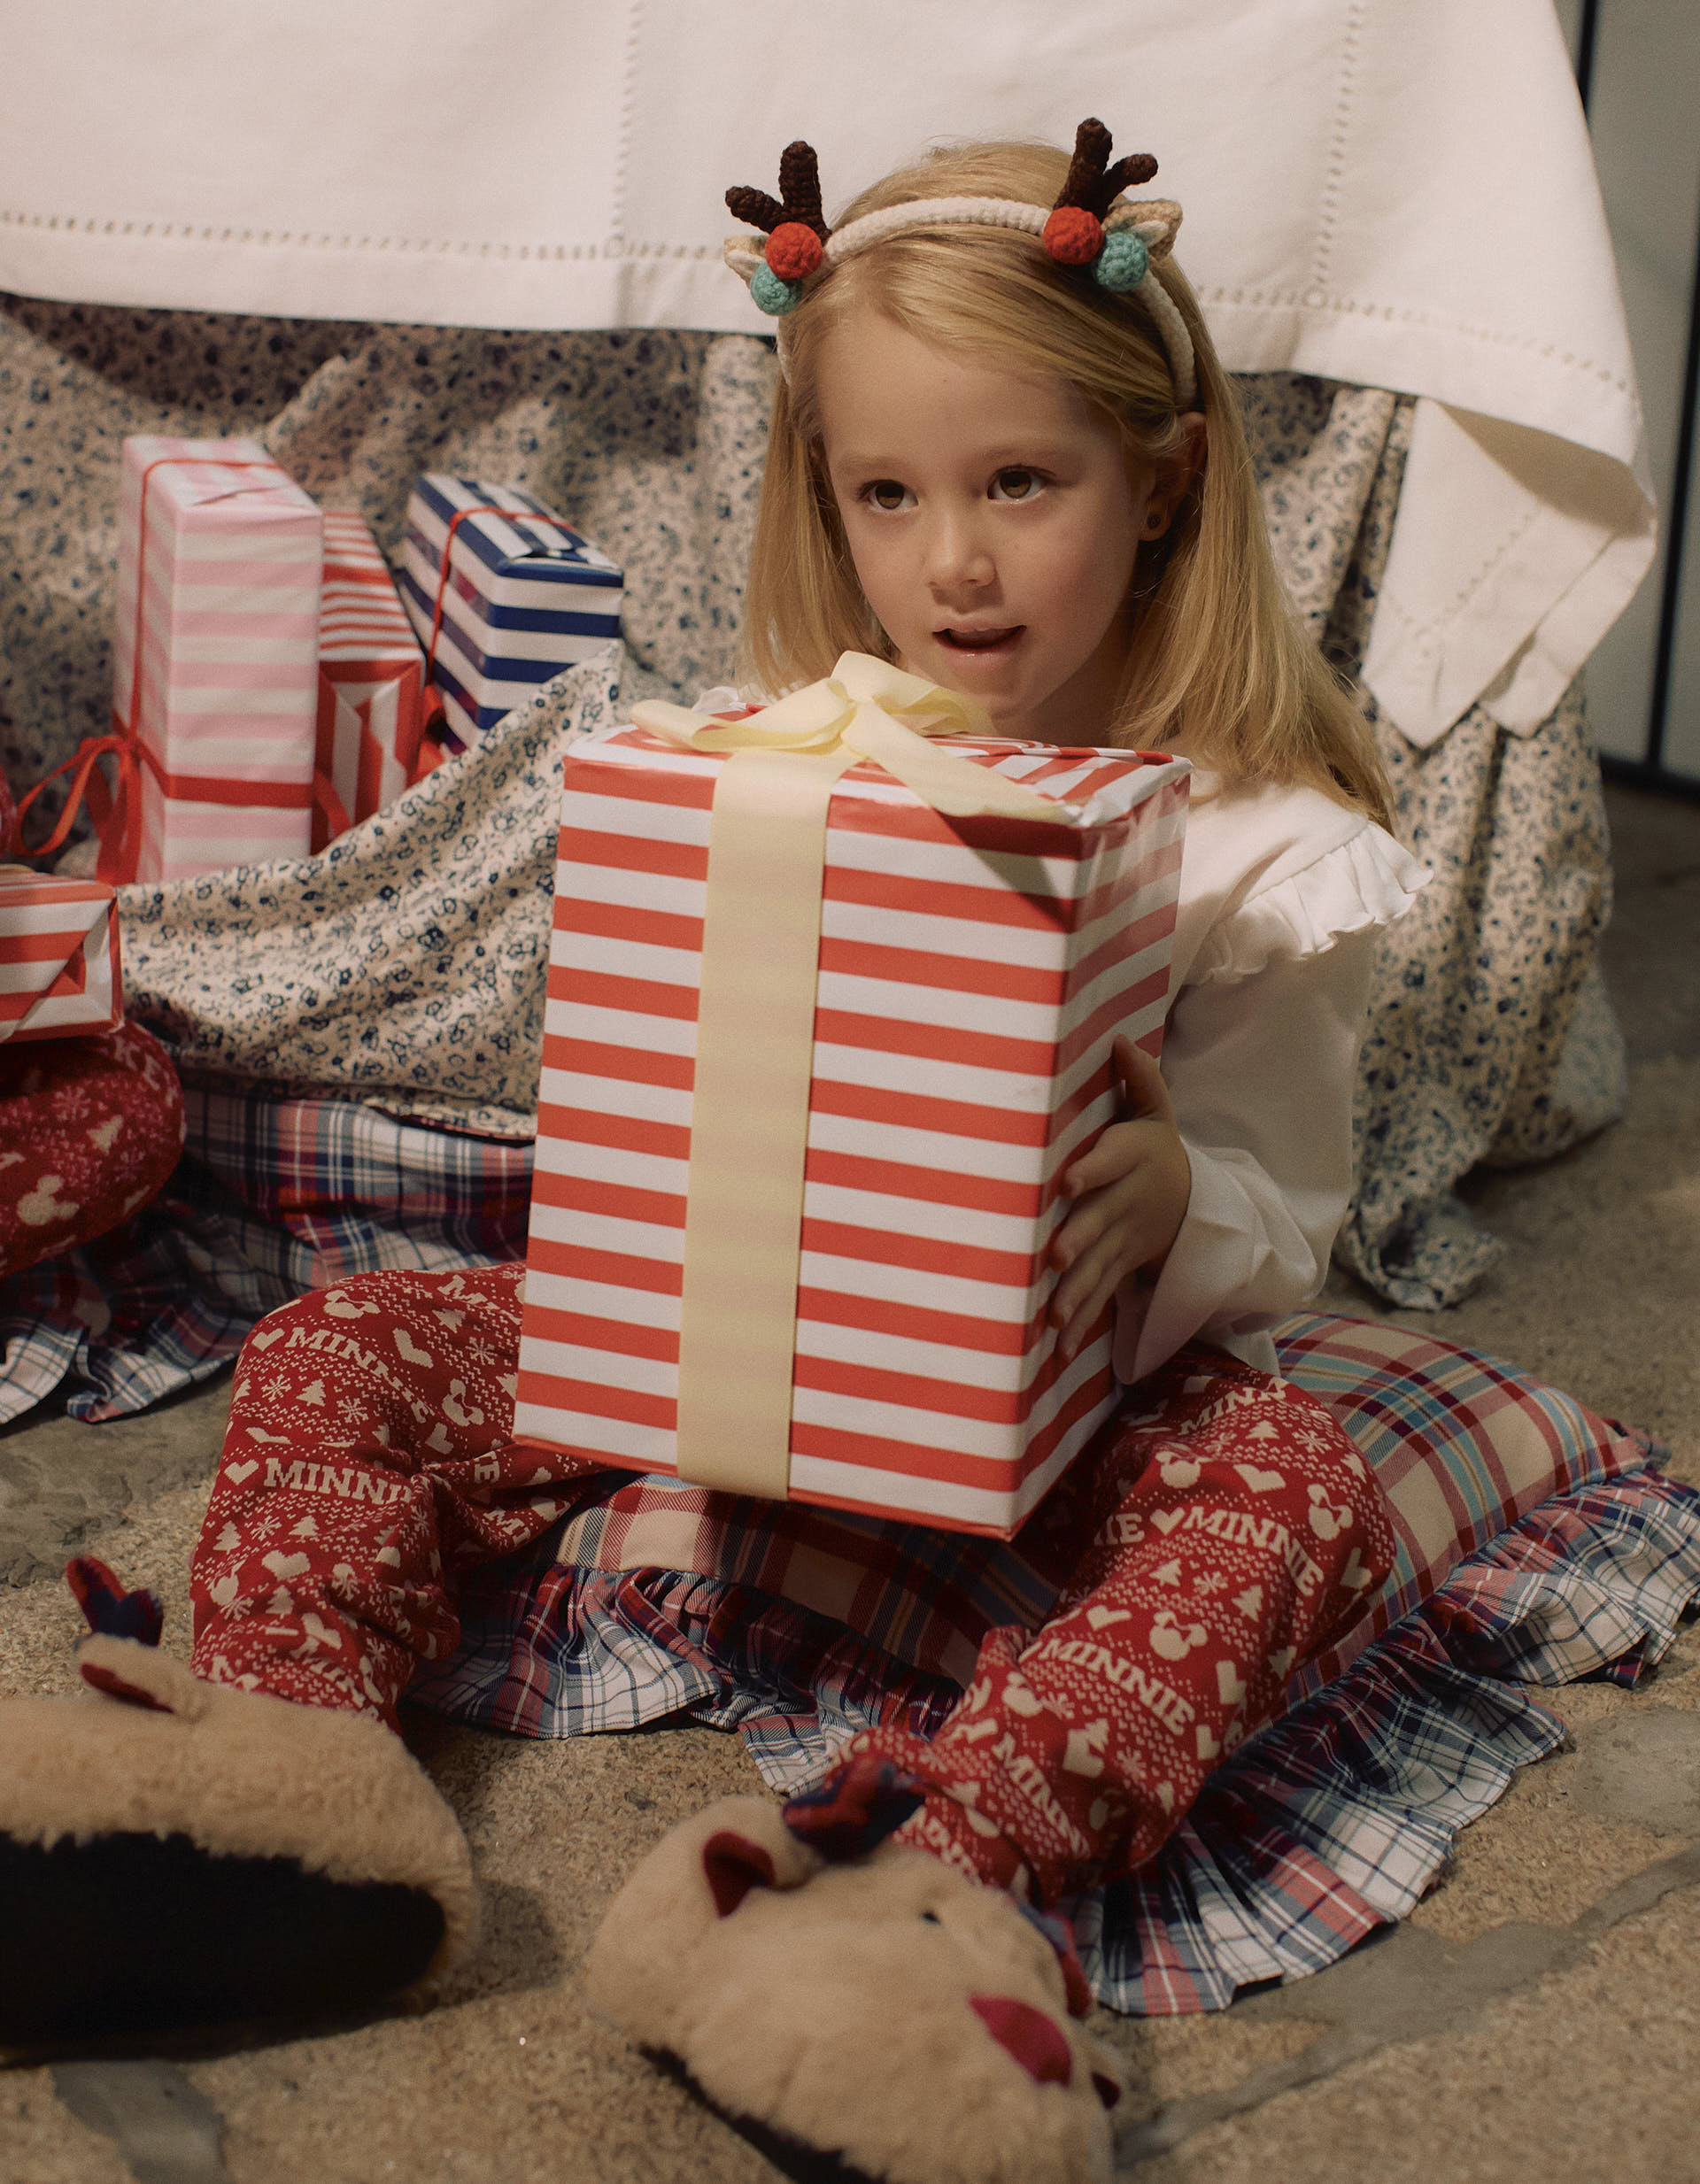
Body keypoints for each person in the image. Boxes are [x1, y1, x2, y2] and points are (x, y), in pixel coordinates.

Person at [172, 120, 1421, 1917]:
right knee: (338, 1339)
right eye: (889, 496)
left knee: (1305, 1497)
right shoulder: (788, 753)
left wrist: (1174, 1199)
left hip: (1072, 1391)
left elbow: (1289, 1212)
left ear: (1157, 482)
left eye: (1019, 483)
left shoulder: (1261, 849)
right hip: (747, 1343)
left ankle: (915, 1885)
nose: (953, 567)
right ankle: (287, 1792)